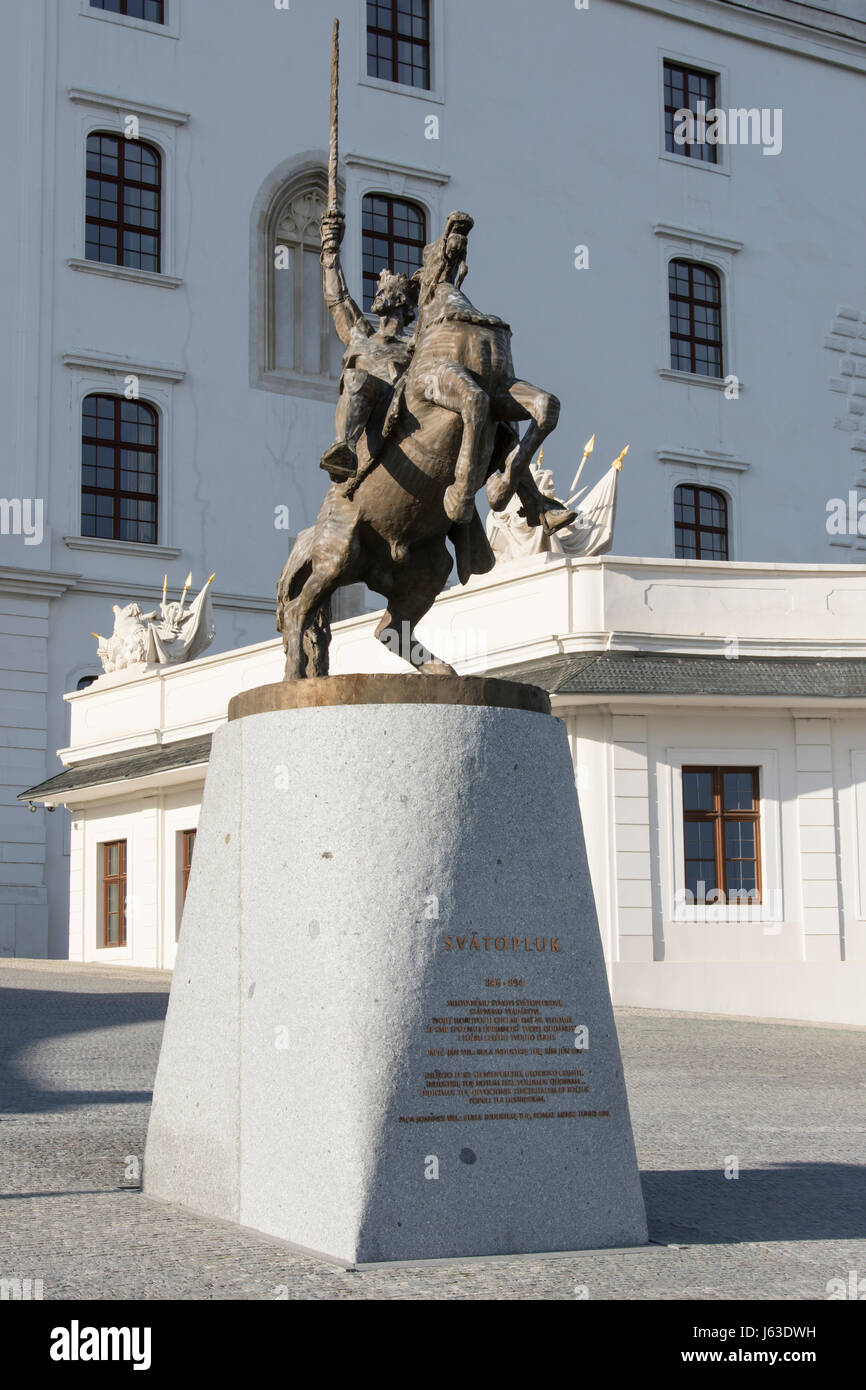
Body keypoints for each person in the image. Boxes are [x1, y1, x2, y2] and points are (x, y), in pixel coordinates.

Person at [319, 209, 418, 483]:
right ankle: (344, 448)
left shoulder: (411, 349)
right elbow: (338, 298)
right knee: (356, 378)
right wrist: (330, 251)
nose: (377, 294)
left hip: (401, 412)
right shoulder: (360, 335)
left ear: (400, 302)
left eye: (384, 291)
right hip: (368, 411)